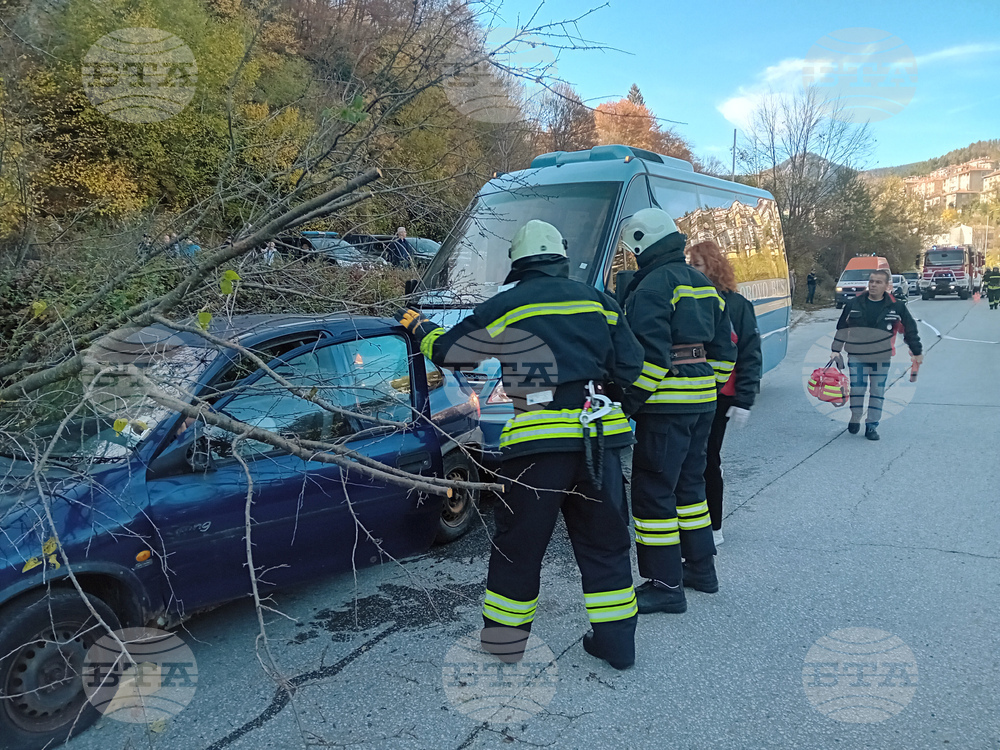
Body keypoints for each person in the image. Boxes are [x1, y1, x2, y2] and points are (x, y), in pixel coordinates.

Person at [395, 220, 645, 670]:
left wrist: (420, 326)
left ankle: (504, 646)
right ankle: (619, 645)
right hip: (597, 444)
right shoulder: (600, 303)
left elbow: (452, 352)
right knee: (605, 546)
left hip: (537, 449)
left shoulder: (509, 304)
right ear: (561, 259)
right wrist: (621, 403)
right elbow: (632, 367)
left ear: (519, 262)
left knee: (519, 549)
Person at [615, 209, 737, 614]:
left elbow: (650, 360)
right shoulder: (701, 283)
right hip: (702, 403)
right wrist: (708, 388)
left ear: (640, 245)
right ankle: (701, 570)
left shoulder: (652, 286)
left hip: (666, 406)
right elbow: (725, 350)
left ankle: (665, 584)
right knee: (690, 488)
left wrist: (626, 404)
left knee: (653, 494)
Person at [688, 240, 762, 547]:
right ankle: (692, 522)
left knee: (707, 459)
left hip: (721, 394)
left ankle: (713, 524)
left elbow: (750, 353)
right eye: (690, 264)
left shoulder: (736, 305)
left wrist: (744, 399)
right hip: (690, 392)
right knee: (690, 460)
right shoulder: (687, 299)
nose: (691, 270)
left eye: (697, 264)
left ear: (713, 267)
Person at [831, 269, 923, 441]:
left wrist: (917, 352)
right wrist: (835, 349)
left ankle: (872, 426)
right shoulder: (854, 304)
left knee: (877, 391)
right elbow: (842, 328)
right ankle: (856, 415)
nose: (873, 285)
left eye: (878, 282)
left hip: (882, 356)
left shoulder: (897, 307)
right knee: (858, 390)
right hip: (857, 354)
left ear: (887, 286)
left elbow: (910, 330)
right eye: (871, 281)